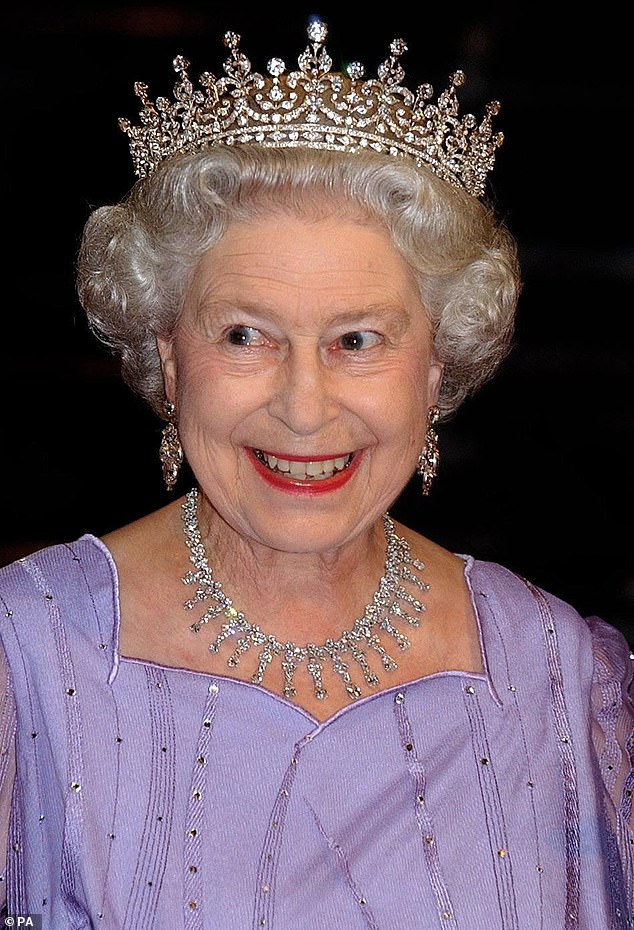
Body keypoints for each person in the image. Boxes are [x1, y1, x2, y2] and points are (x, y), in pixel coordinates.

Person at [0, 17, 632, 930]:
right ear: (170, 359)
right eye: (245, 335)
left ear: (435, 368)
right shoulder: (28, 655)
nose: (305, 406)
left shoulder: (557, 672)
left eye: (357, 340)